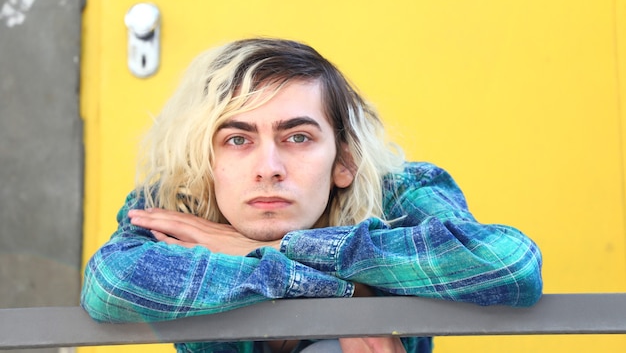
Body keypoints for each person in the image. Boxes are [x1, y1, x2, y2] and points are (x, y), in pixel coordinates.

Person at [81, 38, 543, 353]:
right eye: (238, 140)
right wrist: (347, 294)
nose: (269, 168)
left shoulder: (401, 191)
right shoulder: (176, 204)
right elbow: (110, 285)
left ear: (344, 161)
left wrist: (267, 249)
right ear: (208, 160)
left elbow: (507, 265)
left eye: (297, 137)